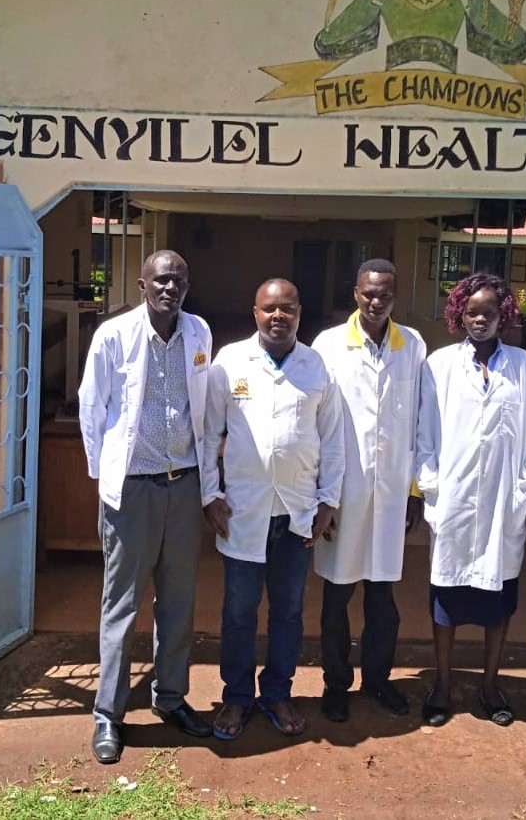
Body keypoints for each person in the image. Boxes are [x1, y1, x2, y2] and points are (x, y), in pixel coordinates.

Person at [78, 250, 213, 764]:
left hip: (184, 486)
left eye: (178, 279)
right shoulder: (114, 336)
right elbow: (92, 408)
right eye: (161, 279)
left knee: (178, 603)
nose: (169, 287)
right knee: (122, 606)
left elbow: (203, 408)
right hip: (132, 490)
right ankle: (108, 716)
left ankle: (171, 699)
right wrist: (105, 476)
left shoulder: (198, 332)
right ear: (142, 283)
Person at [202, 278, 345, 741]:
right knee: (240, 611)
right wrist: (209, 494)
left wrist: (329, 500)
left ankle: (278, 693)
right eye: (270, 309)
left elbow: (334, 439)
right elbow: (207, 435)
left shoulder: (316, 366)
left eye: (287, 309)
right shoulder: (229, 363)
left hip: (297, 510)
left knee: (287, 610)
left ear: (299, 313)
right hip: (243, 509)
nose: (278, 316)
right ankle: (237, 697)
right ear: (255, 312)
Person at [416, 273, 526, 728]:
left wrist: (523, 492)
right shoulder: (439, 366)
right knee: (446, 602)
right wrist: (433, 489)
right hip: (453, 505)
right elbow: (424, 438)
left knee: (499, 603)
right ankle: (443, 685)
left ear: (503, 316)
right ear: (459, 314)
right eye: (471, 312)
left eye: (489, 313)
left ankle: (491, 685)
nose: (480, 319)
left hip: (501, 508)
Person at [311, 258, 432, 722]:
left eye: (384, 294)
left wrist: (415, 491)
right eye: (368, 293)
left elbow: (421, 421)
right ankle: (336, 685)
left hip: (392, 494)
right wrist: (324, 497)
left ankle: (378, 682)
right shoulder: (328, 346)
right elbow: (317, 423)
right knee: (337, 597)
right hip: (343, 493)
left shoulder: (412, 346)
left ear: (395, 297)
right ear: (355, 294)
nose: (375, 301)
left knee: (383, 598)